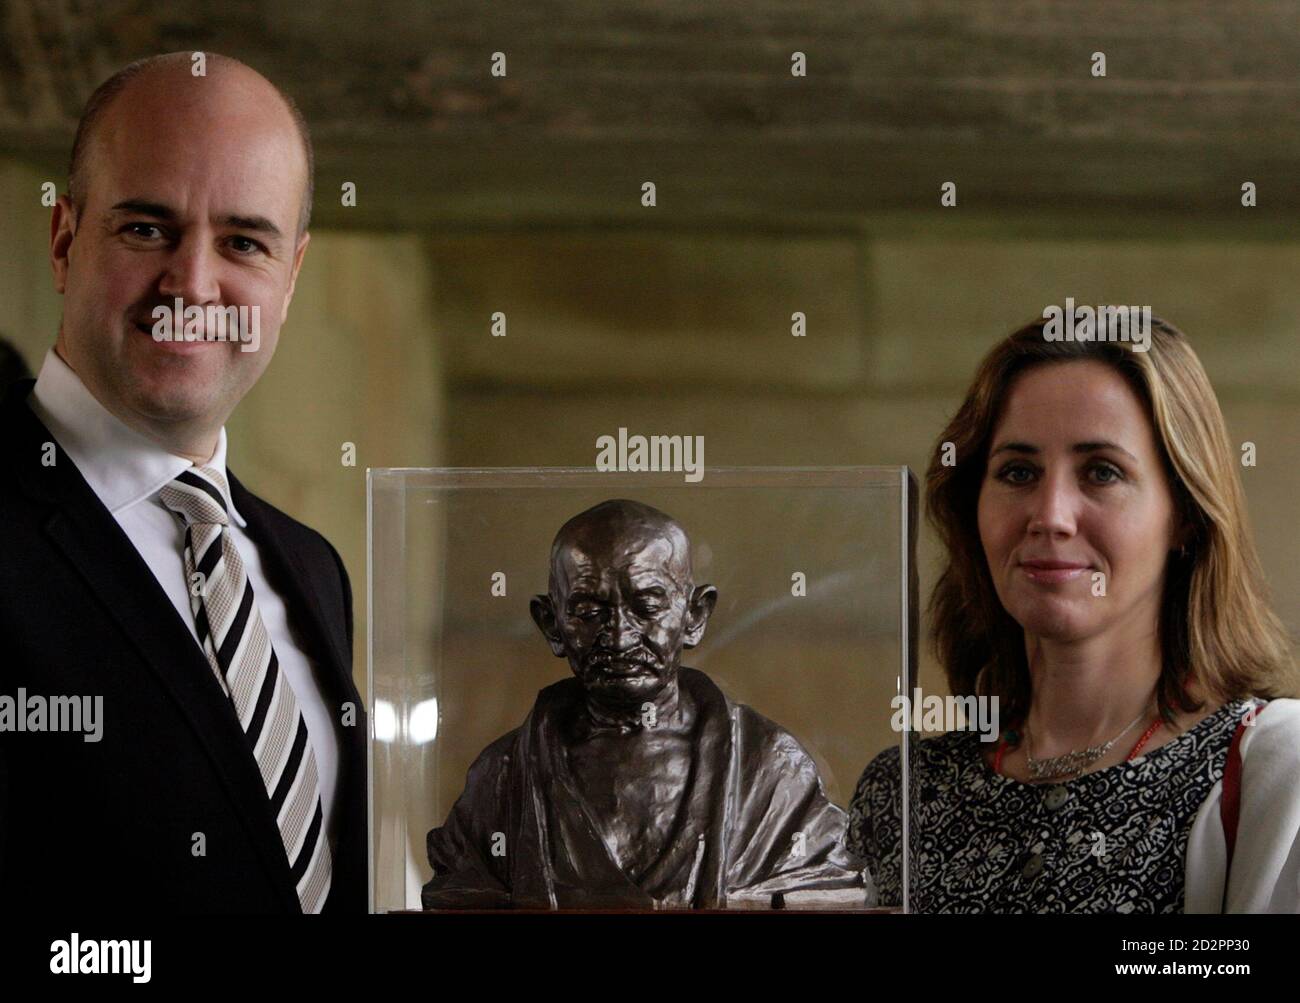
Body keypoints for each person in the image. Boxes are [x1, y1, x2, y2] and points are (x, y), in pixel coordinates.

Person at [0, 52, 366, 913]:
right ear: (63, 240)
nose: (193, 284)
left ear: (290, 277)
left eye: (243, 241)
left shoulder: (313, 568)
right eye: (146, 228)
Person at [848, 314, 1300, 913]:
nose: (1051, 515)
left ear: (1185, 515)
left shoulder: (1272, 775)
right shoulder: (901, 794)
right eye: (1018, 472)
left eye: (1101, 472)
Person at [422, 499, 865, 909]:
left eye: (647, 606)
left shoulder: (770, 771)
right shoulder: (501, 779)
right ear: (551, 623)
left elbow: (825, 893)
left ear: (694, 616)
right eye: (589, 612)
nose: (618, 637)